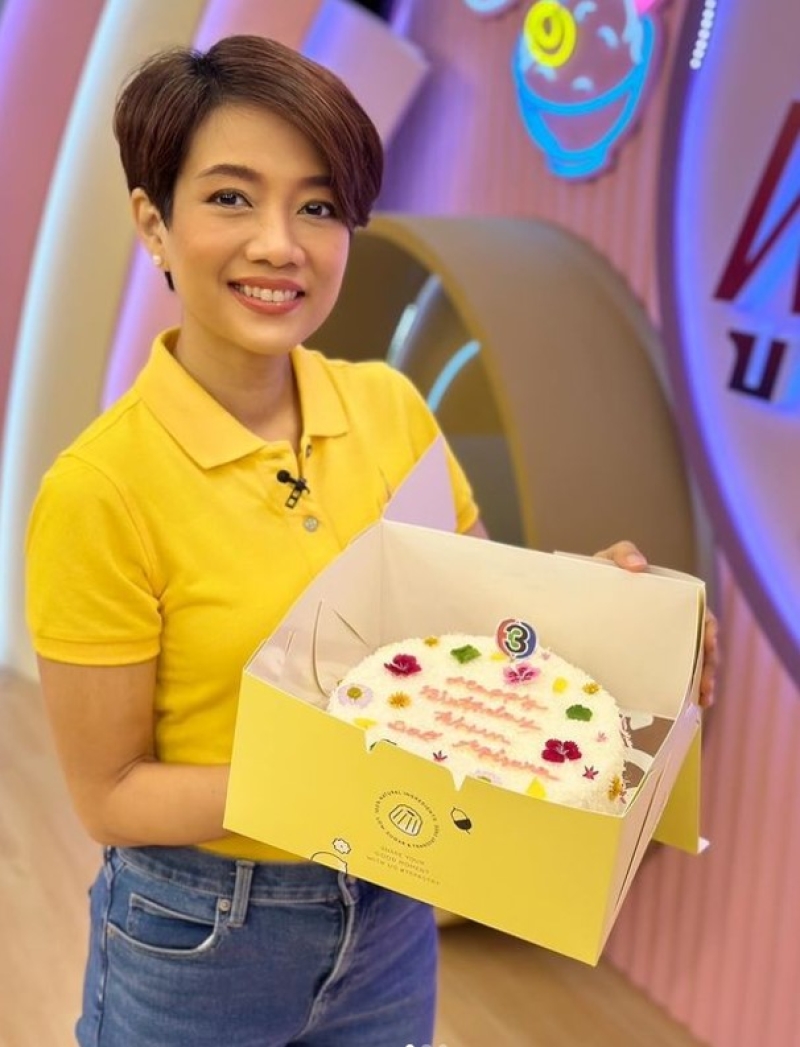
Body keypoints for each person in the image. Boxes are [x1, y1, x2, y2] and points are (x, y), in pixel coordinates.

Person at [24, 34, 718, 1047]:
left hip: (392, 901)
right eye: (230, 198)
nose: (280, 244)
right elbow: (112, 795)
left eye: (317, 207)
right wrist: (348, 771)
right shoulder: (101, 489)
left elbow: (483, 630)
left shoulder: (389, 408)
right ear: (154, 223)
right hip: (201, 933)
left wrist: (601, 608)